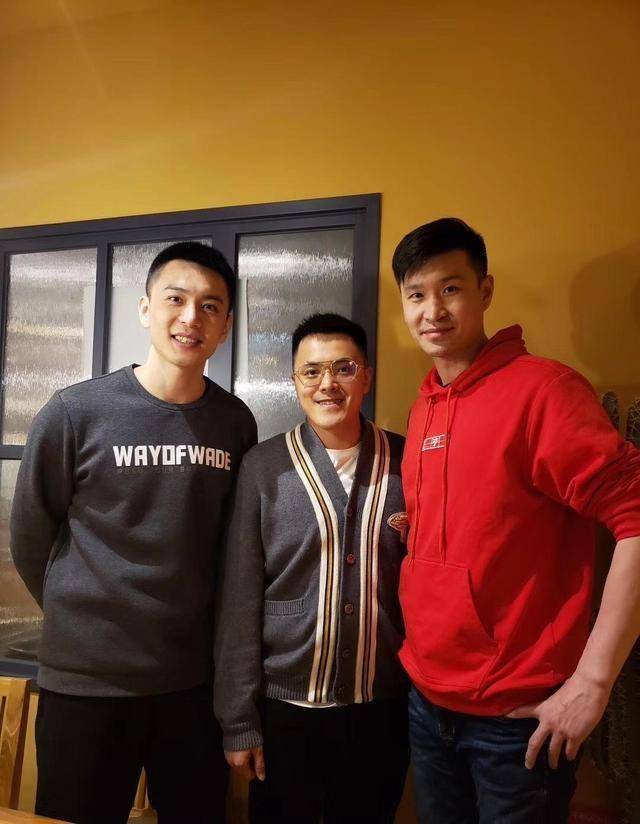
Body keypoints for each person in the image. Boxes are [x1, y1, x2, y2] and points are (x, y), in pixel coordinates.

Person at [392, 217, 640, 823]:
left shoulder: (544, 391)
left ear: (485, 291)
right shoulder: (425, 403)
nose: (432, 311)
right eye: (416, 294)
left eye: (451, 288)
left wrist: (593, 683)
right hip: (428, 701)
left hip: (517, 720)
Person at [10, 241, 257, 824]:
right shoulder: (76, 411)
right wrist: (85, 617)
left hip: (191, 685)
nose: (191, 317)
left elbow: (231, 550)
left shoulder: (234, 423)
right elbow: (30, 536)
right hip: (86, 684)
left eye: (210, 306)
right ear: (146, 308)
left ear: (225, 326)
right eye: (176, 299)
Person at [214, 313, 409, 823]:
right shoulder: (263, 467)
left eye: (344, 369)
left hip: (383, 707)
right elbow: (239, 599)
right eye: (312, 371)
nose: (328, 384)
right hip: (286, 711)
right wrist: (239, 721)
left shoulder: (406, 463)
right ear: (294, 381)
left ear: (366, 377)